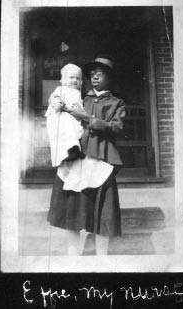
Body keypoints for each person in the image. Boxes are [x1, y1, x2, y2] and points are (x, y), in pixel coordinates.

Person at [47, 55, 125, 255]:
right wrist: (56, 100)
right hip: (79, 161)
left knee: (103, 213)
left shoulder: (116, 103)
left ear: (110, 77)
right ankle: (74, 259)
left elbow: (116, 128)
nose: (95, 76)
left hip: (102, 161)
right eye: (92, 74)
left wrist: (87, 118)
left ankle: (102, 260)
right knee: (74, 212)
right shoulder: (82, 98)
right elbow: (60, 98)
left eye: (100, 73)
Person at [45, 63, 84, 167]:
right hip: (60, 116)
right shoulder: (61, 89)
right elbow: (54, 97)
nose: (74, 80)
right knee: (66, 124)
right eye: (71, 77)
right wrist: (57, 103)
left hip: (73, 117)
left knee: (76, 129)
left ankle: (73, 150)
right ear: (64, 79)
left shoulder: (79, 93)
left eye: (77, 78)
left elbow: (80, 105)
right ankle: (68, 151)